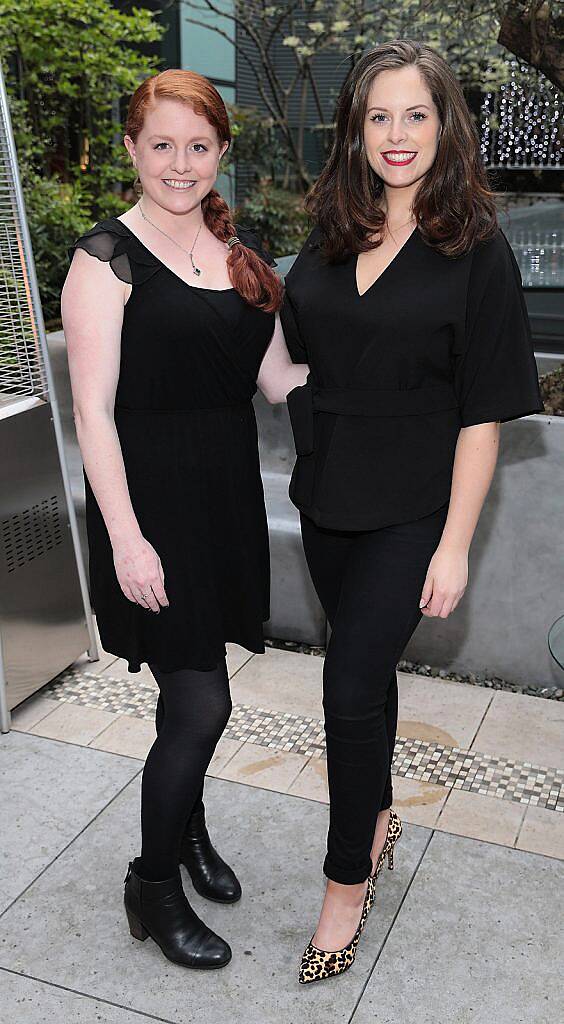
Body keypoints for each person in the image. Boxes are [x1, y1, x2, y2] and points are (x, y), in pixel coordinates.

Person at [279, 39, 544, 984]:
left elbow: (482, 414)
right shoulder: (330, 229)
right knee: (367, 672)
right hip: (328, 494)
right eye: (378, 116)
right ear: (356, 128)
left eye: (416, 115)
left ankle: (346, 880)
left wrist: (456, 545)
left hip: (414, 509)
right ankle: (379, 813)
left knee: (346, 686)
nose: (397, 135)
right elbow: (298, 346)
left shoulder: (473, 246)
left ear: (446, 126)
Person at [61, 68, 307, 971]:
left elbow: (277, 380)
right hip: (150, 506)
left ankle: (191, 832)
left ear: (220, 155)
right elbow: (92, 412)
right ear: (130, 149)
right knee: (202, 704)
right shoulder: (105, 259)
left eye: (197, 146)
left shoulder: (240, 255)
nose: (179, 163)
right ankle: (152, 881)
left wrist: (384, 382)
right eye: (159, 144)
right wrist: (126, 537)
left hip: (225, 499)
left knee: (187, 693)